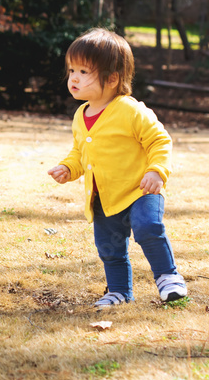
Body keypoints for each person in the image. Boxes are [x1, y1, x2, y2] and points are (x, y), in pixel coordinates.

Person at [47, 28, 187, 308]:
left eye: (84, 72)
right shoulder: (81, 115)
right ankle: (120, 291)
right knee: (109, 248)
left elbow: (160, 140)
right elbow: (81, 152)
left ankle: (168, 278)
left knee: (148, 227)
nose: (73, 77)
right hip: (105, 197)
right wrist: (68, 168)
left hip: (141, 189)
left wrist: (156, 170)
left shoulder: (131, 110)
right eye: (72, 69)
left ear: (112, 79)